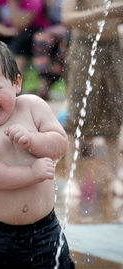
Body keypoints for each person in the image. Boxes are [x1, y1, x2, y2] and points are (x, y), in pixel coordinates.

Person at [0, 38, 75, 269]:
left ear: (16, 83)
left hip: (46, 231)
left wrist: (33, 140)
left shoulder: (32, 106)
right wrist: (31, 172)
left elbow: (60, 144)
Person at [61, 0, 123, 197]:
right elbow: (67, 18)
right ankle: (73, 179)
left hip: (113, 47)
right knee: (78, 115)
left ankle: (114, 177)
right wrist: (104, 11)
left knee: (114, 113)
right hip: (84, 47)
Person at [0, 0, 49, 74]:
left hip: (30, 31)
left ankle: (15, 76)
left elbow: (19, 26)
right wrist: (4, 31)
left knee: (21, 41)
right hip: (8, 30)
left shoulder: (33, 2)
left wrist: (12, 3)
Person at [31, 0, 68, 100]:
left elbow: (69, 20)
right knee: (40, 39)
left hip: (69, 31)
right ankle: (43, 85)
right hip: (49, 33)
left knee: (63, 47)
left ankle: (50, 82)